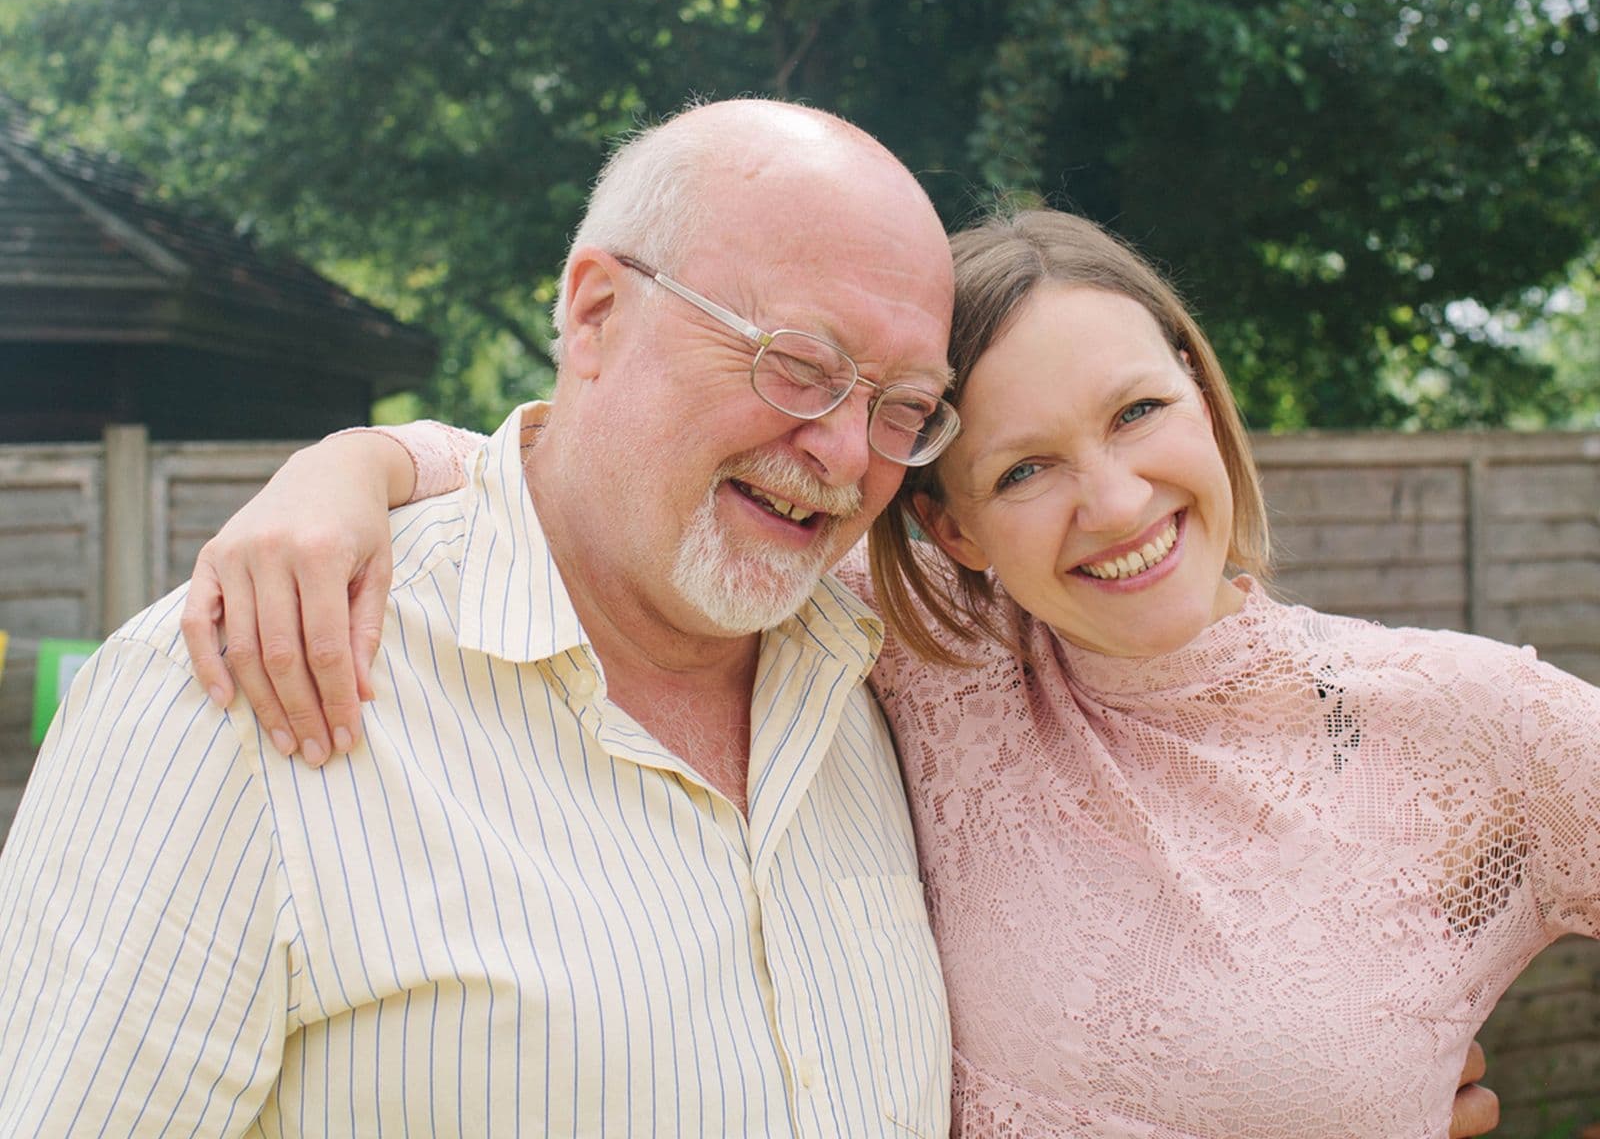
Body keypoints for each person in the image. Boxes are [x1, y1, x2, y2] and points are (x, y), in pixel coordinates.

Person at [178, 210, 1542, 1137]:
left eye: (1137, 411)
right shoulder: (924, 660)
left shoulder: (1465, 721)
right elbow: (607, 490)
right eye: (1024, 469)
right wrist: (347, 471)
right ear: (950, 527)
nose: (1117, 503)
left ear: (1201, 386)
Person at [0, 99, 962, 1136]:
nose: (850, 454)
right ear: (596, 314)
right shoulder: (237, 690)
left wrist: (371, 454)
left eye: (902, 407)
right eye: (800, 367)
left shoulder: (888, 673)